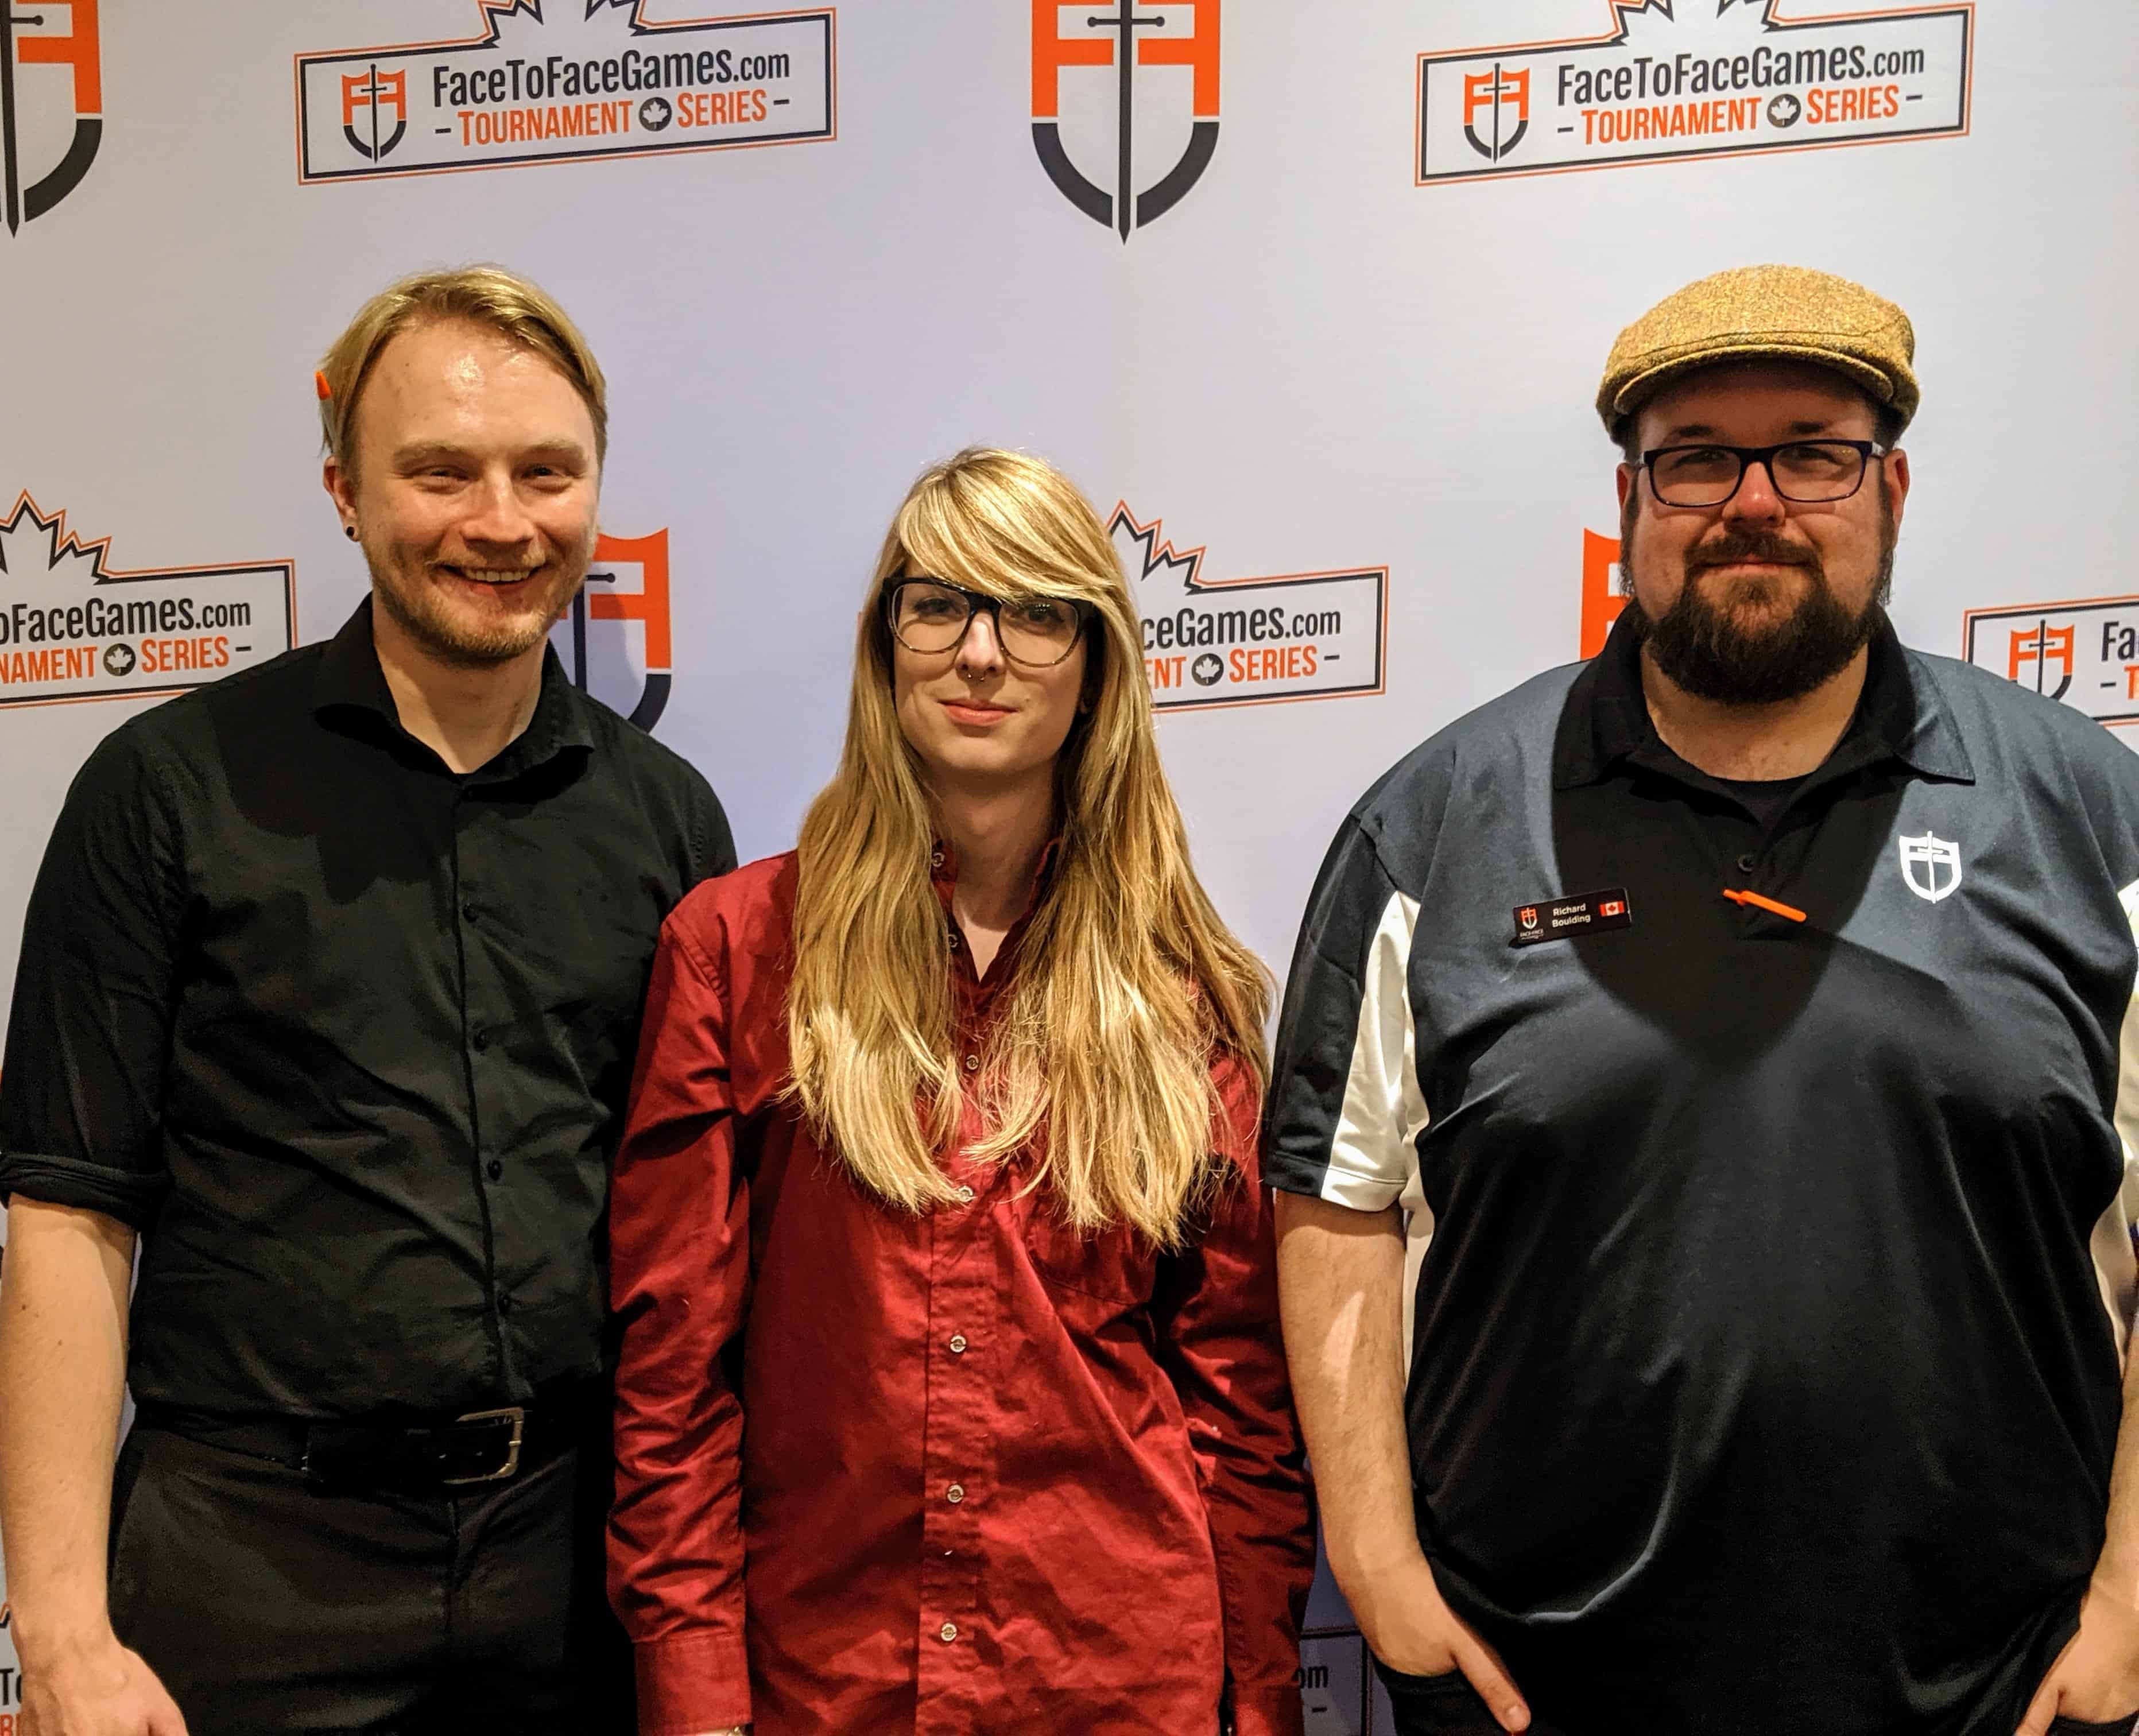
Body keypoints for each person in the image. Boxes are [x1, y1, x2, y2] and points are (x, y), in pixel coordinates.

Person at [1266, 264, 2139, 1736]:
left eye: (1812, 453)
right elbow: (1334, 1203)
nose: (1755, 502)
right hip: (1534, 1687)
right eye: (1697, 460)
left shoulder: (2088, 819)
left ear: (1892, 490)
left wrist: (2128, 1605)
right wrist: (1378, 1569)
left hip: (1996, 1688)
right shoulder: (1441, 823)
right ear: (1631, 501)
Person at [0, 265, 734, 1734]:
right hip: (251, 1573)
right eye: (440, 472)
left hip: (577, 1576)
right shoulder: (167, 792)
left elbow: (704, 1250)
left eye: (546, 473)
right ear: (344, 490)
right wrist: (62, 1632)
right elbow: (69, 1220)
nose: (501, 522)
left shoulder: (668, 822)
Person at [606, 447, 1314, 1735]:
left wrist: (1260, 1700)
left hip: (1115, 1682)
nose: (980, 654)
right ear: (886, 644)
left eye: (1035, 612)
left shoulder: (1181, 986)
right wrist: (692, 1685)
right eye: (938, 605)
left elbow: (1238, 1396)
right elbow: (673, 1374)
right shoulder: (738, 948)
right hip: (827, 1681)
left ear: (1097, 663)